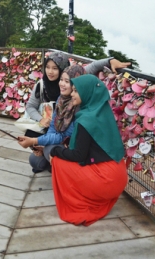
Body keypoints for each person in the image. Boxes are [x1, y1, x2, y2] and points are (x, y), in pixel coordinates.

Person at [49, 74, 128, 226]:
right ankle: (95, 198)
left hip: (105, 180)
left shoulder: (86, 120)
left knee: (59, 161)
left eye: (76, 91)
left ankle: (81, 203)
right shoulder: (103, 113)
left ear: (87, 93)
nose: (72, 94)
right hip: (119, 177)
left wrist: (55, 152)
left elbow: (78, 155)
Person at [25, 52, 130, 129]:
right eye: (47, 67)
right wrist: (41, 119)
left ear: (63, 68)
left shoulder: (73, 77)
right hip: (49, 126)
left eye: (55, 68)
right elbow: (30, 106)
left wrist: (110, 61)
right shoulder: (41, 84)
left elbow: (93, 67)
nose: (50, 72)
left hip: (69, 127)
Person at [17, 65, 86, 173]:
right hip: (60, 142)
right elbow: (53, 127)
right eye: (61, 80)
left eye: (67, 81)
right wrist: (42, 144)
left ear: (76, 84)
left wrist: (35, 141)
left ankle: (65, 171)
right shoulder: (61, 99)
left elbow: (63, 136)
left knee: (49, 150)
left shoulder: (79, 106)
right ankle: (57, 168)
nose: (62, 84)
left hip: (73, 149)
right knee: (35, 160)